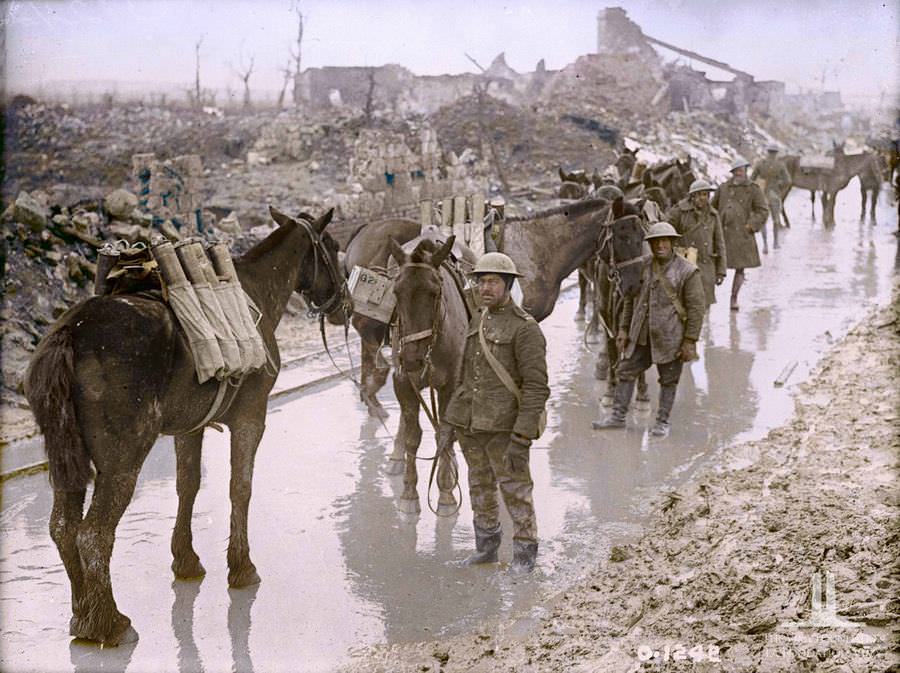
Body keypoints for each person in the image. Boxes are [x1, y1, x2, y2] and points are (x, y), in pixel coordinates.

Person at [444, 252, 550, 574]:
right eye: (481, 281)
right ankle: (486, 548)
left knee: (516, 490)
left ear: (508, 285)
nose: (485, 288)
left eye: (493, 282)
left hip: (506, 428)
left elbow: (536, 388)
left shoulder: (526, 329)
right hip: (473, 425)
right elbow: (463, 378)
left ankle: (524, 556)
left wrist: (521, 436)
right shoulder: (478, 320)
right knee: (479, 486)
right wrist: (451, 421)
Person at [591, 222, 706, 437]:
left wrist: (690, 340)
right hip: (640, 334)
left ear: (672, 243)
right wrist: (624, 329)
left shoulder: (688, 271)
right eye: (655, 241)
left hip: (670, 336)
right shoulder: (642, 266)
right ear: (650, 244)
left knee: (669, 379)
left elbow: (696, 310)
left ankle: (662, 421)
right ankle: (617, 417)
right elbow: (629, 299)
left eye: (664, 241)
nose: (660, 245)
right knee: (625, 370)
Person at [712, 157, 768, 311]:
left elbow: (762, 210)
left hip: (742, 236)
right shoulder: (723, 188)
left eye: (741, 170)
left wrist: (751, 225)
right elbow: (712, 208)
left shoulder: (753, 189)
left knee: (740, 268)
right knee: (712, 266)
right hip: (721, 235)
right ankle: (709, 298)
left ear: (746, 171)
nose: (738, 173)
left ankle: (734, 298)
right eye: (735, 171)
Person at [666, 178, 728, 308]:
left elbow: (719, 243)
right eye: (699, 194)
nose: (702, 198)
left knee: (704, 306)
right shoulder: (679, 212)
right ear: (692, 196)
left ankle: (702, 328)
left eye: (705, 194)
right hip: (685, 264)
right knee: (684, 305)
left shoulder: (713, 215)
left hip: (707, 266)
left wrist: (721, 271)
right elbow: (667, 234)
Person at [751, 143, 792, 250]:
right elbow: (788, 181)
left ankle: (765, 245)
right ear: (776, 153)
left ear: (767, 152)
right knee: (776, 219)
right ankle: (775, 243)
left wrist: (758, 186)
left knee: (763, 220)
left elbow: (751, 179)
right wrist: (779, 185)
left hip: (762, 195)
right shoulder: (780, 165)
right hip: (774, 194)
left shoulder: (760, 164)